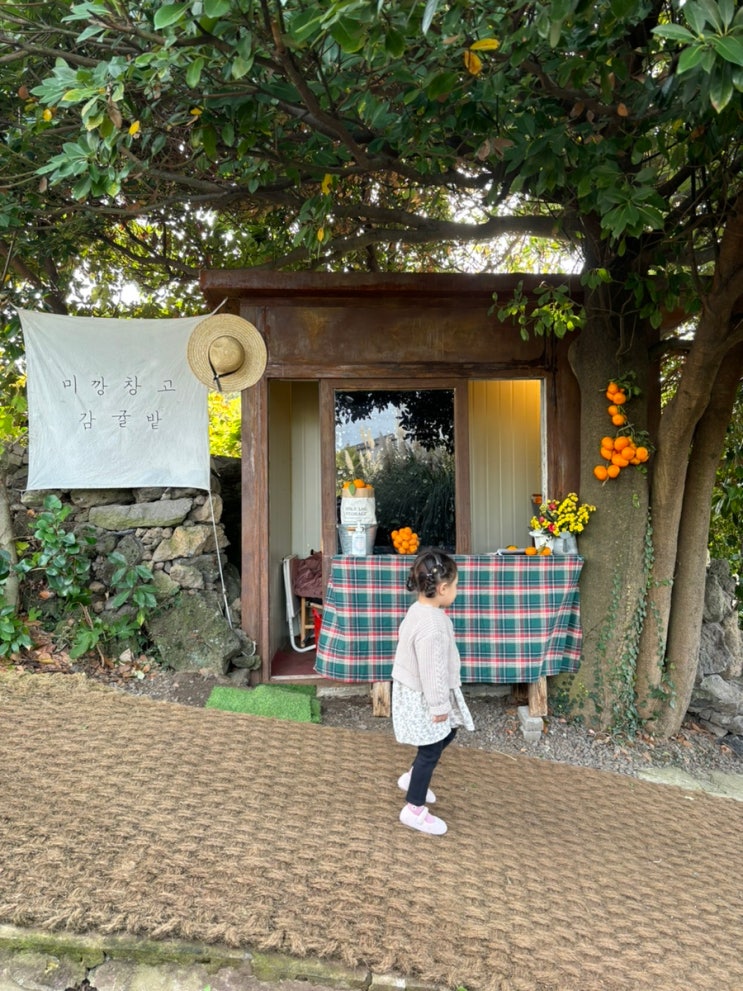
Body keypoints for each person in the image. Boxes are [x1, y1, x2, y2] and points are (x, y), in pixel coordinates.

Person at [391, 548, 474, 835]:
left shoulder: (420, 610)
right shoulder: (432, 626)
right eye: (456, 586)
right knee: (431, 748)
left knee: (447, 733)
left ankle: (413, 777)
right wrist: (439, 706)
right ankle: (413, 809)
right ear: (442, 588)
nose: (457, 591)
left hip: (415, 688)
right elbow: (431, 670)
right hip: (424, 693)